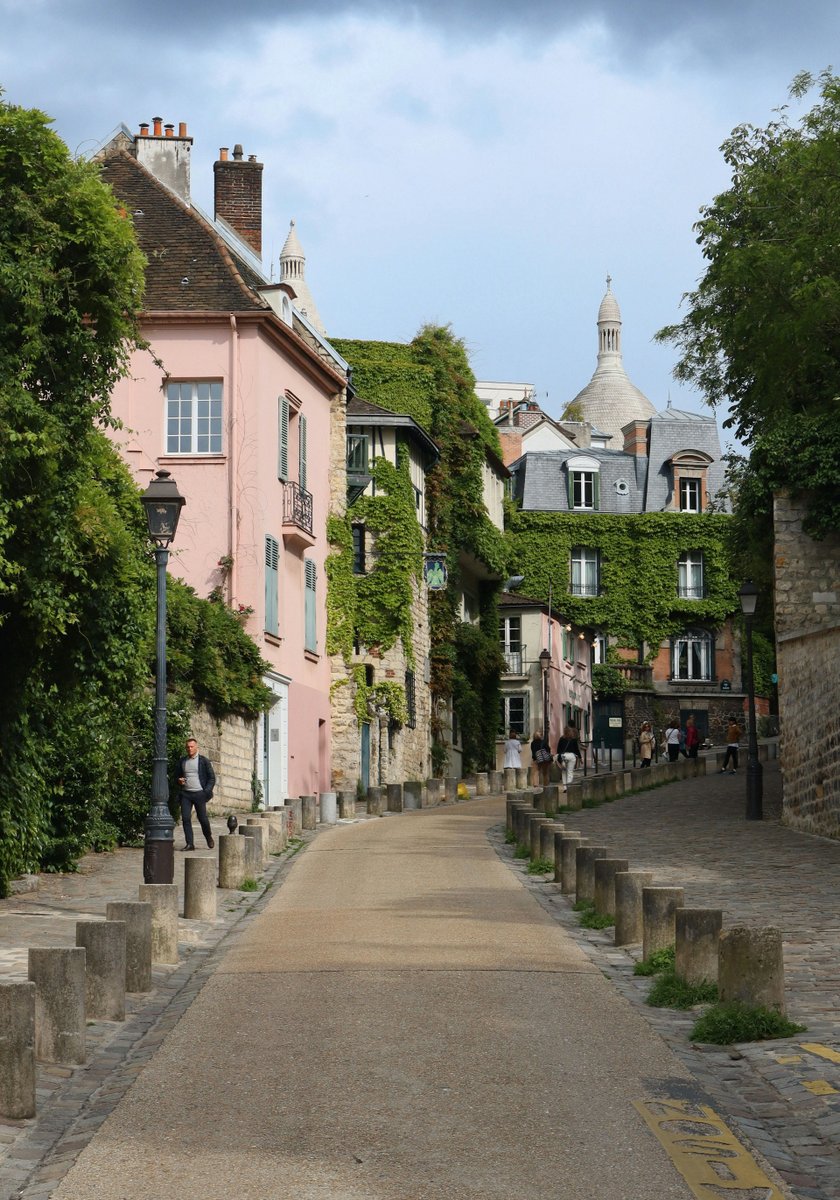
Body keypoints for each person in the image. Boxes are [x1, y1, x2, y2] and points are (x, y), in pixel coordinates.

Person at [177, 736, 216, 850]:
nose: (189, 749)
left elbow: (212, 778)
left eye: (192, 747)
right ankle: (190, 844)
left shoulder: (203, 761)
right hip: (186, 794)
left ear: (196, 747)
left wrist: (206, 792)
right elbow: (177, 776)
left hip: (199, 794)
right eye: (188, 747)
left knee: (203, 818)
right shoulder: (183, 761)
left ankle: (208, 837)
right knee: (185, 818)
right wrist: (179, 780)